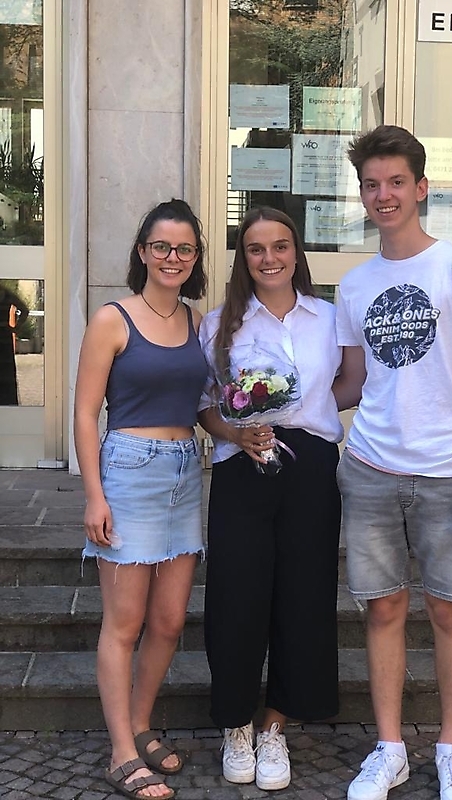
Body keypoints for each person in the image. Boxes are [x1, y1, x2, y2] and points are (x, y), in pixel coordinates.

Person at [333, 126, 452, 800]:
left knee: (449, 612)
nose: (384, 195)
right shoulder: (354, 286)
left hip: (448, 472)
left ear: (422, 188)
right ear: (362, 194)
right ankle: (389, 749)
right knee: (381, 612)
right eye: (372, 184)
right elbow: (352, 383)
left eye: (396, 183)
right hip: (370, 468)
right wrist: (273, 404)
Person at [198, 207, 343, 791]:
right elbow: (205, 404)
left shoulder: (329, 318)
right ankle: (236, 724)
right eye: (256, 249)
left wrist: (309, 411)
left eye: (280, 246)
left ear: (296, 252)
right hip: (243, 464)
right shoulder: (220, 324)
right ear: (243, 258)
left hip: (310, 466)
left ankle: (275, 725)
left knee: (303, 596)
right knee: (236, 595)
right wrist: (237, 432)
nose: (270, 258)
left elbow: (352, 382)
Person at [74, 199, 208, 800]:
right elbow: (84, 413)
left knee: (169, 620)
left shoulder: (197, 321)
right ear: (142, 252)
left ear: (195, 256)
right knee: (124, 623)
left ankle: (140, 722)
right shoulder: (113, 319)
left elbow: (203, 404)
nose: (172, 257)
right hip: (129, 471)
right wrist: (94, 496)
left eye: (184, 248)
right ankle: (121, 752)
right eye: (161, 247)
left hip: (185, 470)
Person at [0, 282, 29, 405]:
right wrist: (16, 327)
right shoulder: (7, 294)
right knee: (7, 371)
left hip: (4, 335)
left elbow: (24, 310)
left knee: (6, 370)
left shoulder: (7, 294)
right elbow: (24, 310)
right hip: (4, 334)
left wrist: (16, 327)